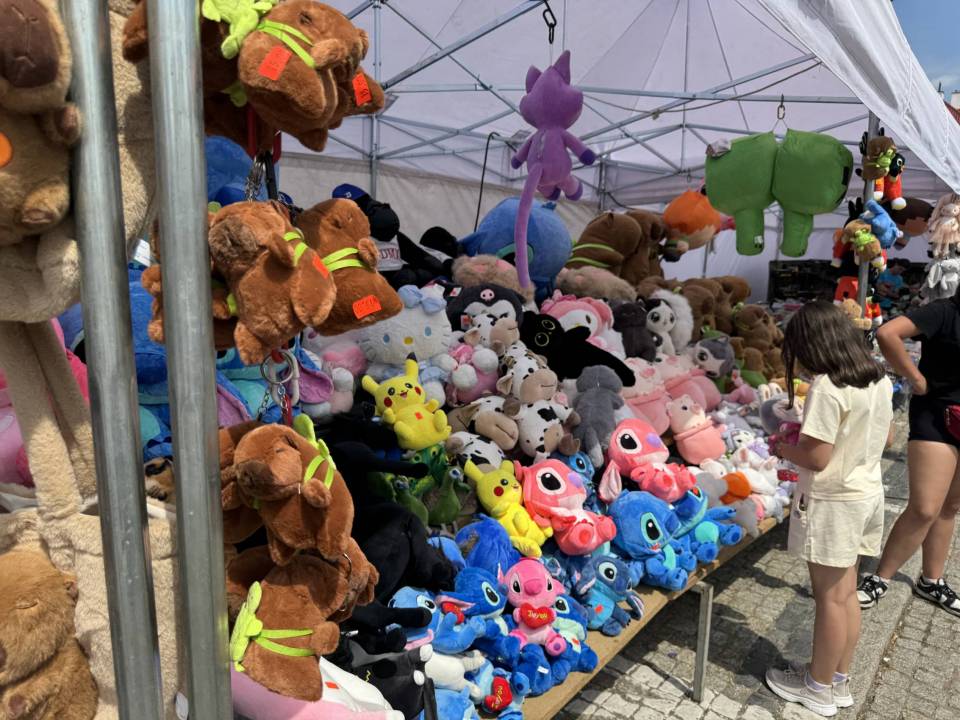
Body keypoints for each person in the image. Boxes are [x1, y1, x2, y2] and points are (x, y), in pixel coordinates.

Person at [764, 301, 893, 717]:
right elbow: (888, 437)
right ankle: (837, 679)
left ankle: (817, 687)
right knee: (846, 592)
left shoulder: (828, 386)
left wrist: (783, 446)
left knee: (830, 599)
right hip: (867, 492)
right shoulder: (878, 378)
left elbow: (817, 458)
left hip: (835, 501)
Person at [856, 291, 960, 616]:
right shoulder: (944, 311)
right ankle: (880, 577)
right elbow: (887, 333)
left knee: (949, 507)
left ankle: (931, 580)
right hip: (937, 416)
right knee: (925, 508)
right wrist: (915, 378)